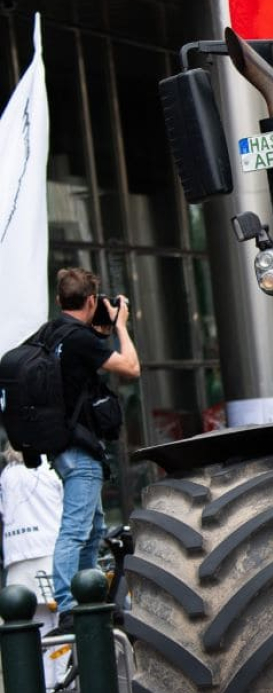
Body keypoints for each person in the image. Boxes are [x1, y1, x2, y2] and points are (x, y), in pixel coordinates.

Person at [44, 267, 140, 629]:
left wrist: (100, 325)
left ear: (58, 301)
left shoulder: (53, 334)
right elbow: (131, 367)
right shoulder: (81, 341)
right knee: (76, 528)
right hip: (80, 448)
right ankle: (70, 605)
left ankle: (91, 599)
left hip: (62, 447)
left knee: (95, 526)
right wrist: (120, 326)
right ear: (89, 301)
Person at [0, 446, 64, 633]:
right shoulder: (50, 468)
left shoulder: (6, 475)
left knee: (31, 629)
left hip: (16, 558)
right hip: (49, 552)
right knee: (60, 626)